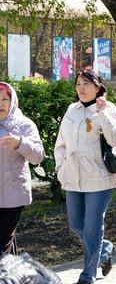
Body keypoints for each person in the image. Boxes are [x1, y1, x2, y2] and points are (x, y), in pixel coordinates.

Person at [54, 70, 116, 284]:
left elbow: (115, 140)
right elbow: (61, 143)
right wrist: (60, 167)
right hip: (72, 176)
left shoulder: (108, 108)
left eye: (86, 83)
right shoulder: (71, 109)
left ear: (97, 86)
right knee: (76, 224)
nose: (81, 88)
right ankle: (105, 249)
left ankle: (87, 275)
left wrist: (102, 114)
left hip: (99, 177)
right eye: (78, 84)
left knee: (93, 227)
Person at [0, 83, 44, 256]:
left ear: (12, 101)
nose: (1, 104)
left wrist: (20, 143)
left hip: (14, 192)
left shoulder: (25, 125)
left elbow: (38, 156)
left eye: (5, 99)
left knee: (2, 243)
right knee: (7, 244)